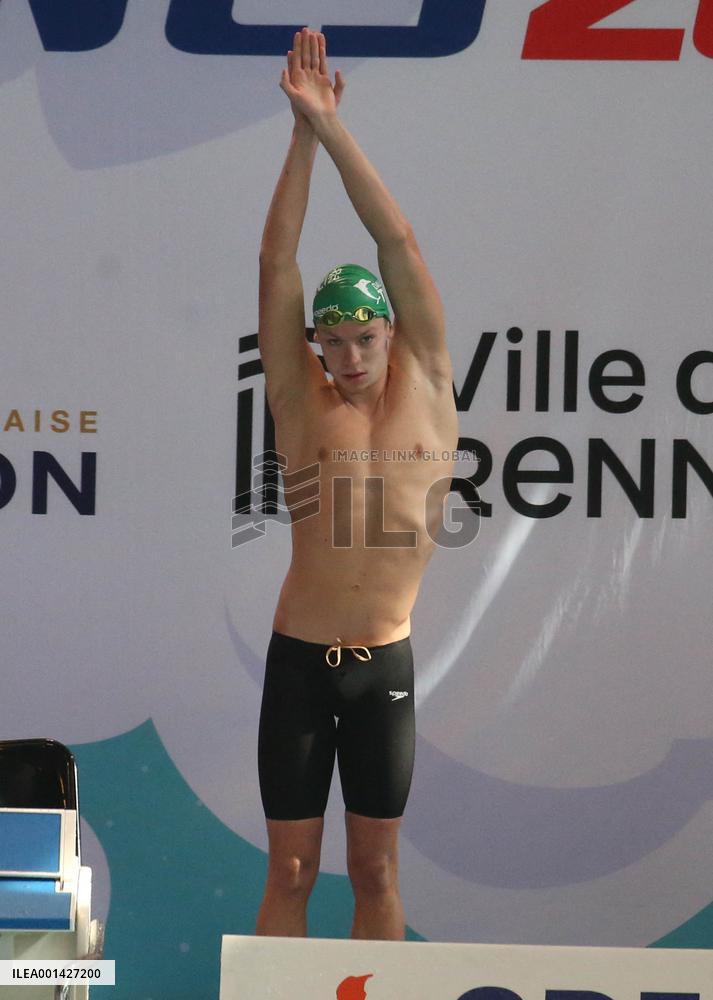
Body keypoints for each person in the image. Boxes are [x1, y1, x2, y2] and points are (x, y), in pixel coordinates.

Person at [255, 27, 459, 941]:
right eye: (328, 341)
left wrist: (332, 129)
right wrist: (298, 139)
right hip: (300, 664)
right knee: (293, 870)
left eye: (360, 339)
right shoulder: (301, 400)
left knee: (374, 871)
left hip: (383, 664)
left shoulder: (428, 383)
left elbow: (397, 238)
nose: (342, 356)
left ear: (391, 335)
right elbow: (277, 268)